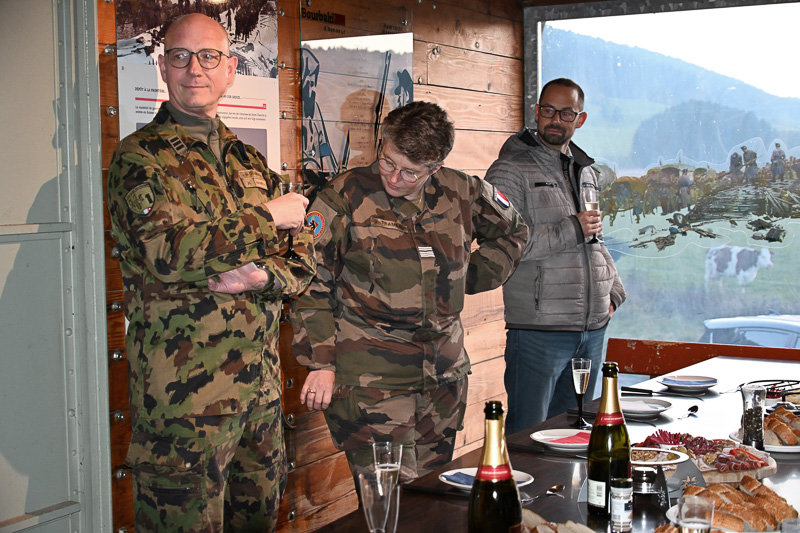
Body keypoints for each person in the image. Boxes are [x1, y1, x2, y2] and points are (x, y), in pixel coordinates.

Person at [106, 13, 315, 532]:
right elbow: (167, 252)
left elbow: (303, 255)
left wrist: (261, 279)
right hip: (185, 406)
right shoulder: (140, 158)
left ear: (230, 69)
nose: (194, 69)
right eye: (180, 56)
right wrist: (266, 218)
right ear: (163, 67)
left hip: (259, 396)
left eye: (208, 56)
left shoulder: (249, 161)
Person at [290, 101, 527, 481]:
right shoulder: (345, 195)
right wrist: (321, 362)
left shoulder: (462, 190)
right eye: (388, 162)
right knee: (390, 496)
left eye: (410, 172)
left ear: (436, 167)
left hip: (444, 377)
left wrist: (469, 277)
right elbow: (310, 281)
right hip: (372, 382)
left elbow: (513, 231)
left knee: (433, 493)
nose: (395, 178)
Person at [485, 78, 626, 434]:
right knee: (528, 435)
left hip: (592, 330)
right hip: (539, 330)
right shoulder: (509, 170)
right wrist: (572, 228)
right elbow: (502, 243)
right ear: (536, 112)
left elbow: (595, 239)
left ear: (580, 119)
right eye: (548, 110)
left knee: (577, 433)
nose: (555, 119)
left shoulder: (585, 171)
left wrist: (614, 293)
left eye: (566, 113)